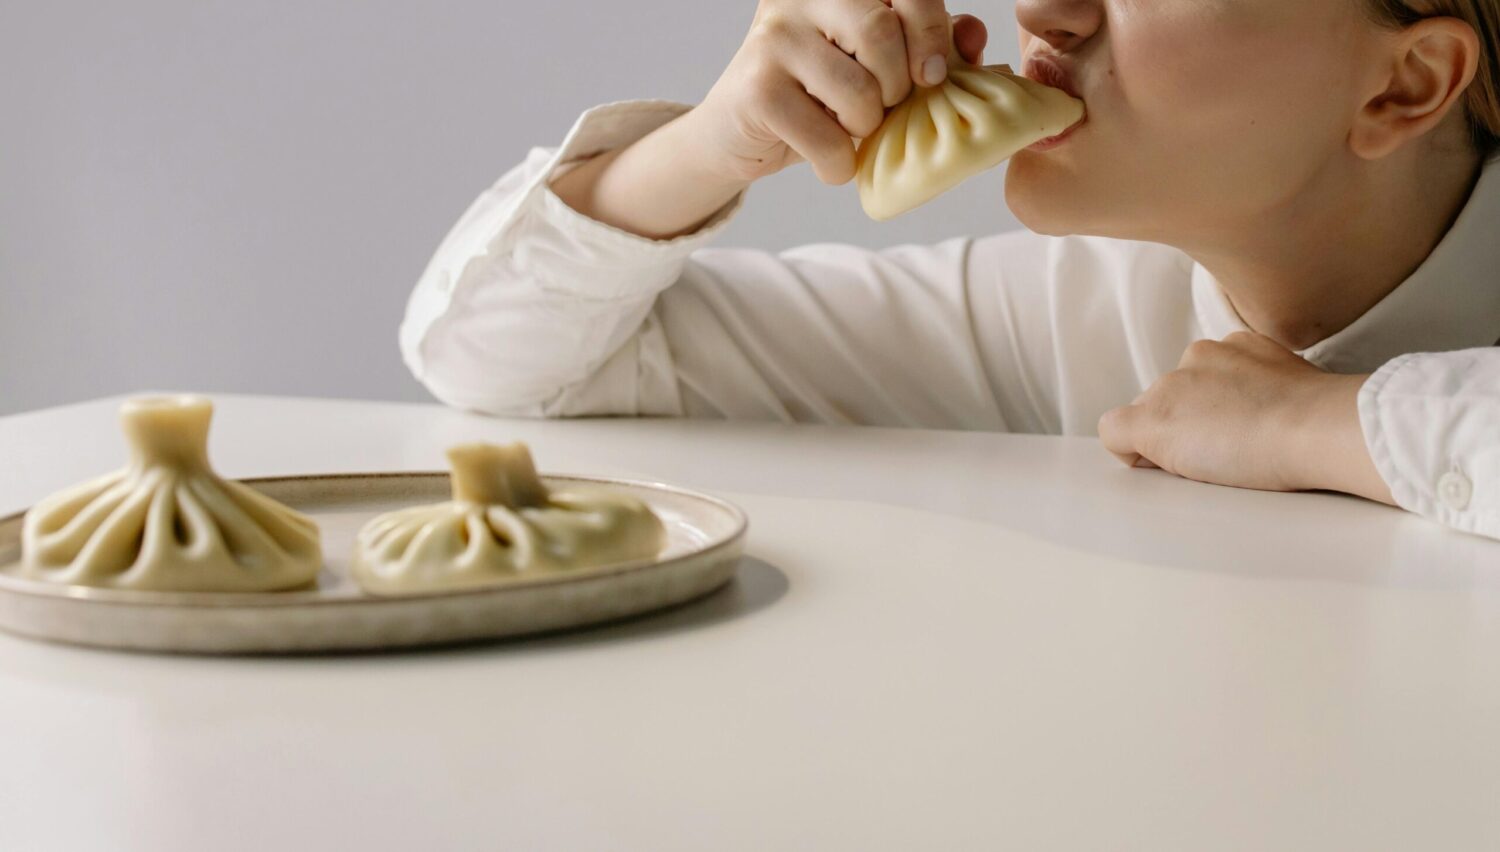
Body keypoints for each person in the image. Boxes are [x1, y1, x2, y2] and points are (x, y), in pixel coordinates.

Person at [400, 0, 1500, 542]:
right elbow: (504, 365)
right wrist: (707, 144)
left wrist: (1315, 426)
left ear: (1406, 86)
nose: (1044, 12)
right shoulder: (1063, 313)